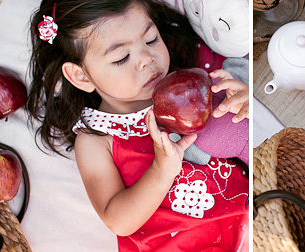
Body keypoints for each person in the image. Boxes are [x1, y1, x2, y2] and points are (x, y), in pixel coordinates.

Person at [25, 0, 250, 251]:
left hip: (254, 219)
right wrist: (161, 171)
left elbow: (240, 138)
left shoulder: (189, 84)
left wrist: (241, 100)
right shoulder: (96, 140)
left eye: (151, 39)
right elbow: (118, 221)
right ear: (82, 76)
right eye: (121, 58)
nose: (147, 59)